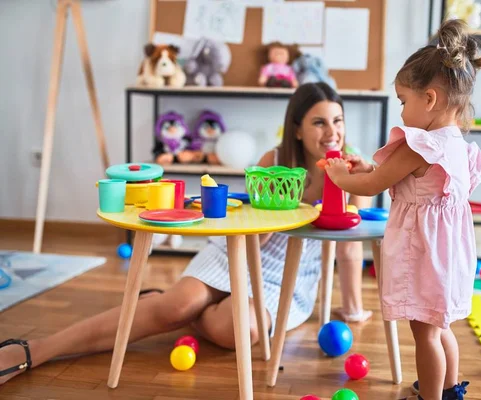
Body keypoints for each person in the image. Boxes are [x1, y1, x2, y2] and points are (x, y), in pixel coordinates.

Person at [0, 82, 372, 384]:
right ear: (297, 128)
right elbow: (253, 237)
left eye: (337, 120)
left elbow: (350, 249)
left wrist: (353, 308)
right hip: (239, 255)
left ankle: (165, 306)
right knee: (178, 305)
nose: (332, 132)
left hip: (289, 279)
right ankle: (35, 349)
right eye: (319, 122)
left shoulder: (350, 168)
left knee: (235, 331)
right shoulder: (273, 163)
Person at [323, 19, 481, 400]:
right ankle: (449, 389)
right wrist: (370, 168)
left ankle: (431, 396)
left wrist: (338, 175)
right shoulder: (458, 147)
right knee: (440, 326)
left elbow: (371, 185)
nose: (400, 113)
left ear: (429, 99)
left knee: (424, 333)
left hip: (424, 254)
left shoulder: (420, 146)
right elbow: (396, 176)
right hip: (448, 256)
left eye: (403, 102)